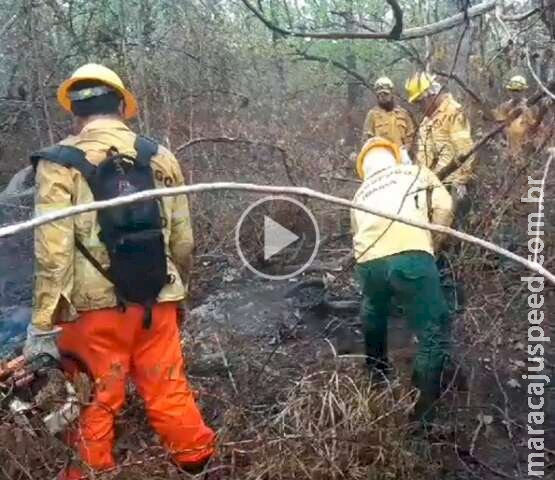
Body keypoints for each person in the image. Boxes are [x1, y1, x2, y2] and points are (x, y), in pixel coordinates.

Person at [23, 64, 215, 479]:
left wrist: (43, 324)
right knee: (168, 389)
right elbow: (182, 241)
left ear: (75, 111)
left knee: (95, 401)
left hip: (92, 313)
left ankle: (88, 474)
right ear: (122, 106)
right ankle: (197, 465)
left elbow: (53, 251)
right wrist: (175, 292)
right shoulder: (160, 157)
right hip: (157, 300)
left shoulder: (58, 164)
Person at [351, 137, 454, 423]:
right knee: (434, 329)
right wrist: (433, 243)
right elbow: (444, 206)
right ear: (394, 156)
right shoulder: (416, 172)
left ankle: (376, 376)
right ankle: (421, 419)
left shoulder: (360, 192)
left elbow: (356, 235)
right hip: (412, 255)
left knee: (373, 309)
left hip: (369, 262)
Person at [405, 72, 475, 223]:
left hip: (450, 185)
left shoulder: (454, 112)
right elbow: (422, 154)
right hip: (429, 186)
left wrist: (461, 182)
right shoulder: (426, 121)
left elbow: (465, 150)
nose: (419, 107)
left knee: (454, 234)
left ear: (431, 95)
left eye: (420, 102)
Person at [492, 75, 549, 162]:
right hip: (510, 150)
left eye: (518, 90)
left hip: (527, 151)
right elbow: (499, 127)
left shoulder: (532, 107)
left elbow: (539, 129)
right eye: (512, 90)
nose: (515, 93)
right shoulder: (504, 107)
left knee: (528, 175)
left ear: (524, 91)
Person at [362, 76, 416, 154]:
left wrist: (407, 149)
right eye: (380, 95)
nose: (383, 97)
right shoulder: (372, 115)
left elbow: (411, 136)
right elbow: (367, 140)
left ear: (391, 94)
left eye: (386, 94)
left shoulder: (403, 114)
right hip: (382, 159)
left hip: (401, 158)